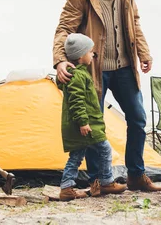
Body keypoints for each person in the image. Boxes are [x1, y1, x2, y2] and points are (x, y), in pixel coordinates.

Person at [53, 0, 161, 192]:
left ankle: (136, 175)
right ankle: (97, 180)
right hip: (95, 68)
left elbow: (134, 21)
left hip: (124, 65)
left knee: (138, 118)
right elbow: (64, 28)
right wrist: (60, 59)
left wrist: (143, 51)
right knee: (94, 122)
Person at [58, 33, 126, 200]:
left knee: (77, 156)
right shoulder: (77, 76)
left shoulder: (79, 74)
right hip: (85, 124)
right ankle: (106, 182)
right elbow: (76, 101)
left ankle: (67, 187)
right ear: (81, 56)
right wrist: (83, 122)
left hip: (85, 124)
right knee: (104, 149)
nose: (93, 54)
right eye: (90, 52)